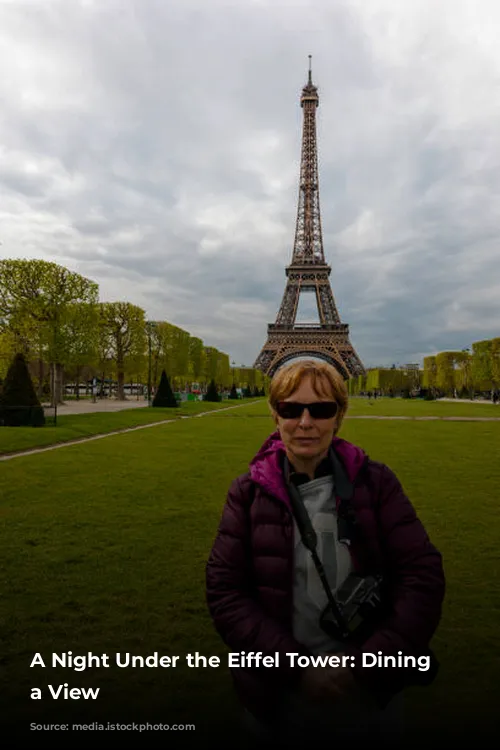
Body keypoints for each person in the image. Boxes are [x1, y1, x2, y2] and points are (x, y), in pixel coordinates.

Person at [205, 359, 445, 745]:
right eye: (290, 408)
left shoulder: (378, 483)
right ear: (274, 414)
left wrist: (365, 668)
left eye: (321, 409)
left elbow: (422, 577)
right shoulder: (246, 494)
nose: (305, 422)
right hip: (281, 693)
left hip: (367, 690)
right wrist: (296, 671)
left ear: (339, 416)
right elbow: (225, 592)